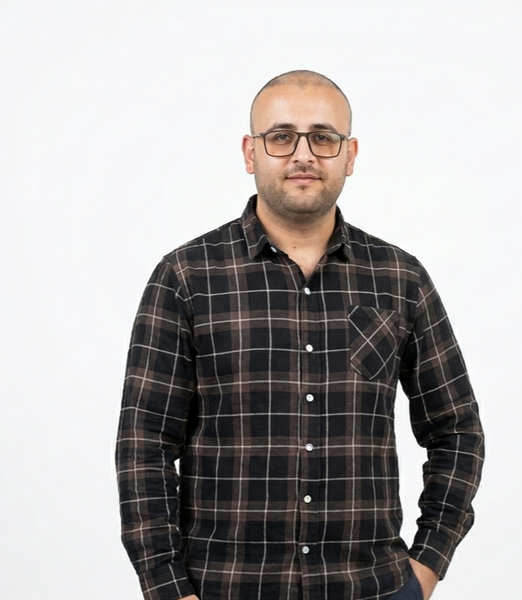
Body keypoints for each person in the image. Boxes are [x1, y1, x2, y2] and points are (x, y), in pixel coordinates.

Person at [116, 70, 484, 600]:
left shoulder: (400, 279)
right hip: (225, 588)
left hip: (371, 588)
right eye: (282, 136)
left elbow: (457, 429)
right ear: (251, 152)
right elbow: (144, 444)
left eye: (323, 137)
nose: (303, 154)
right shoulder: (186, 277)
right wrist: (168, 588)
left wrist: (426, 564)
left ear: (349, 155)